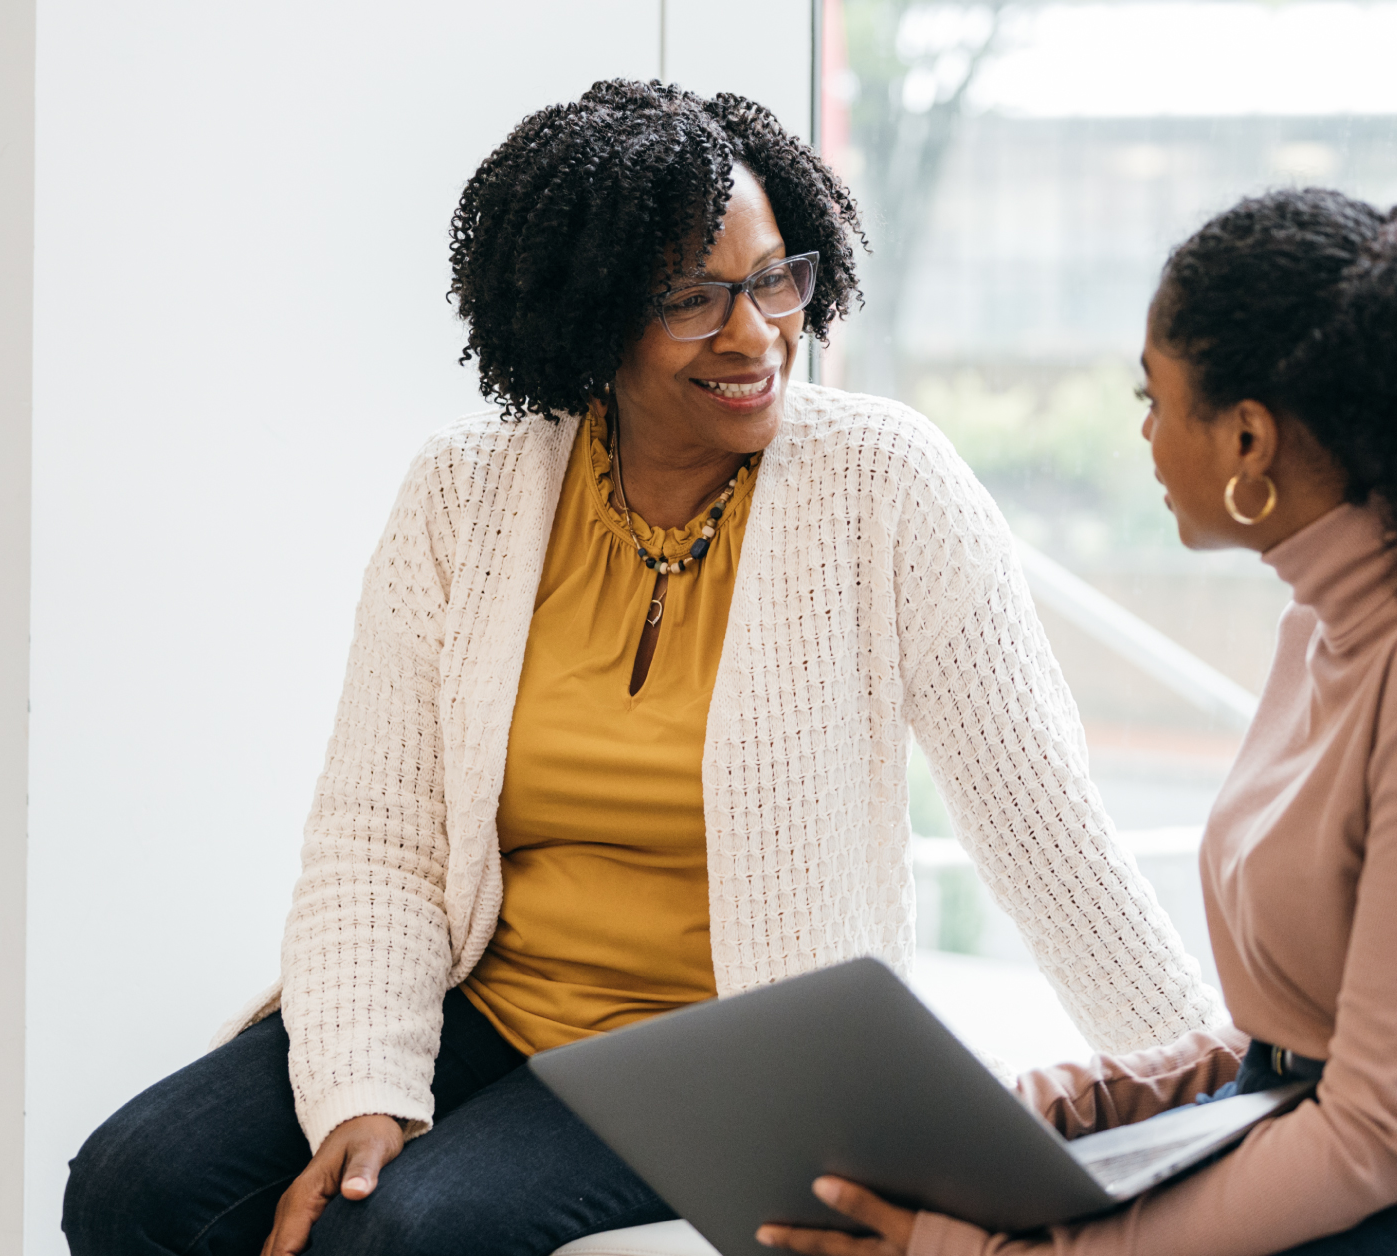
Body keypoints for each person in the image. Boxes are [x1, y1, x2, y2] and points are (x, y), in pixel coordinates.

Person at [60, 80, 1220, 1256]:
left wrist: (1217, 1092)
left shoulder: (883, 483)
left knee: (415, 1231)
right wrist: (367, 1085)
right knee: (130, 1183)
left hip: (721, 1048)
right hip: (494, 1001)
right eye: (692, 300)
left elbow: (1041, 820)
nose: (757, 331)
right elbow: (380, 833)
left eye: (777, 277)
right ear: (587, 312)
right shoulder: (464, 496)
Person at [761, 176, 1397, 1256]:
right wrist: (1056, 1107)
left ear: (1248, 439)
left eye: (1153, 396)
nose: (1144, 433)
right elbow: (1299, 1036)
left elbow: (1378, 1134)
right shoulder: (1337, 614)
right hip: (1328, 1123)